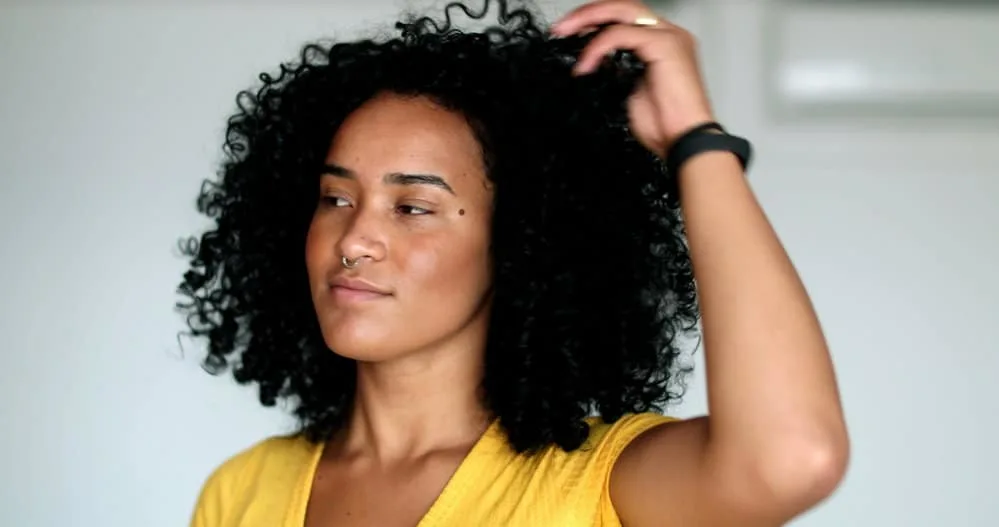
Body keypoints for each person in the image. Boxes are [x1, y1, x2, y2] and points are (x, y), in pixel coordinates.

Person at [178, 0, 850, 525]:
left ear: (520, 242)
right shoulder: (240, 491)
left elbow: (791, 457)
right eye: (335, 197)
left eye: (411, 206)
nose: (353, 239)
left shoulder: (596, 484)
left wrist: (694, 142)